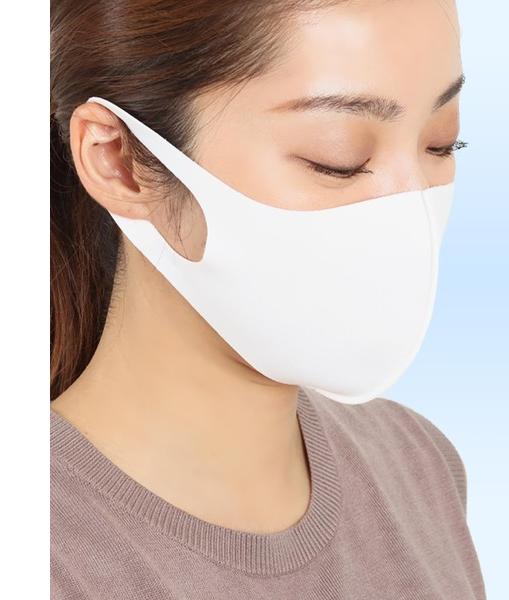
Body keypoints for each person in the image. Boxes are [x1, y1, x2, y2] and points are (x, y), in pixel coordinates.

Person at [50, 0, 486, 598]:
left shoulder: (418, 467)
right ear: (118, 161)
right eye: (337, 158)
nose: (409, 209)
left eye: (441, 144)